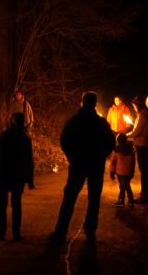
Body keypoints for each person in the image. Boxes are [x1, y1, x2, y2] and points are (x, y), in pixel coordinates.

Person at [49, 91, 115, 244]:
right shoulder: (101, 122)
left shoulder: (75, 121)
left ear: (82, 102)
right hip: (96, 165)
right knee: (94, 199)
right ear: (95, 103)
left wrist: (71, 156)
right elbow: (110, 143)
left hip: (78, 163)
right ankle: (90, 230)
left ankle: (61, 231)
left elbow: (64, 140)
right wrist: (101, 155)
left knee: (70, 197)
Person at [0, 112, 35, 241]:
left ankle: (2, 233)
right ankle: (16, 234)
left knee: (2, 204)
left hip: (3, 173)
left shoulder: (2, 136)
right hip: (18, 175)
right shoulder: (25, 138)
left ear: (11, 121)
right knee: (17, 204)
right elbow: (29, 160)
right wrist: (30, 179)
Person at [127, 96, 148, 204]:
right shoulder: (145, 114)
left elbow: (137, 131)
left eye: (134, 106)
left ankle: (146, 197)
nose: (134, 108)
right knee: (145, 171)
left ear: (138, 105)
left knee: (145, 171)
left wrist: (126, 135)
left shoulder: (143, 115)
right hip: (145, 144)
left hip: (143, 145)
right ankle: (145, 193)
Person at [109, 133, 135, 207]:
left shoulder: (116, 150)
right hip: (129, 171)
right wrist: (132, 171)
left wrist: (112, 172)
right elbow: (133, 161)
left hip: (120, 172)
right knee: (126, 185)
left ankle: (122, 200)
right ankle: (130, 199)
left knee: (123, 186)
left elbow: (113, 163)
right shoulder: (130, 150)